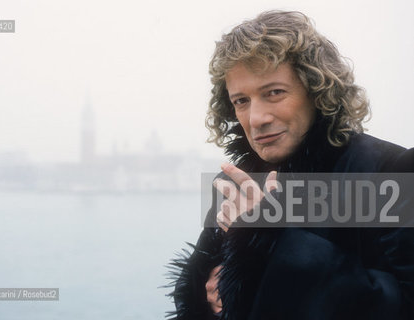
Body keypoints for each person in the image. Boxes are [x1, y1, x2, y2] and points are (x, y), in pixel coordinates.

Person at [166, 10, 414, 320]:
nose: (256, 118)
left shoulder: (391, 170)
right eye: (241, 100)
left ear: (317, 90)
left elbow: (404, 305)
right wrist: (207, 293)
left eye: (274, 93)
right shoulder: (236, 181)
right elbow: (198, 293)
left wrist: (273, 241)